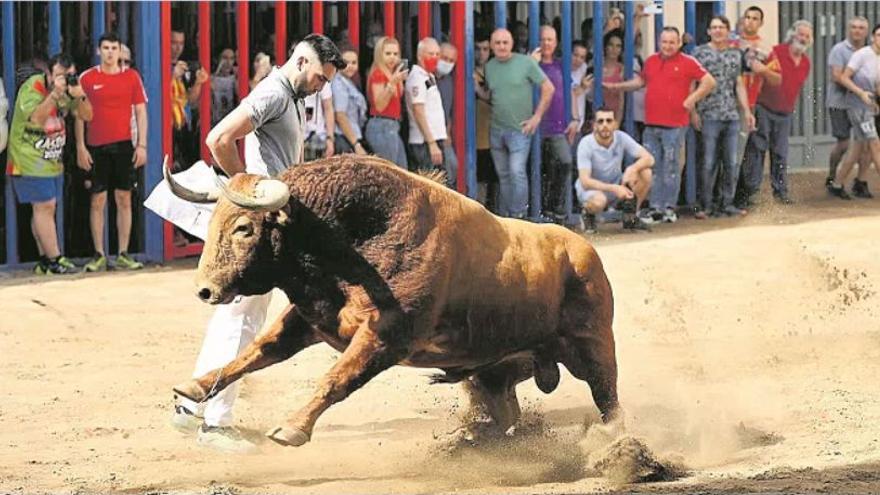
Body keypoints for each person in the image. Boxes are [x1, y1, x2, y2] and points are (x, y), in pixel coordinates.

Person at [170, 34, 345, 453]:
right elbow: (218, 139)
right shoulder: (272, 92)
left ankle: (192, 406)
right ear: (301, 61)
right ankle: (215, 422)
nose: (322, 87)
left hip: (265, 221)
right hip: (259, 226)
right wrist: (247, 189)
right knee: (243, 319)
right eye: (320, 77)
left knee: (237, 315)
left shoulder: (286, 95)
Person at [605, 27, 716, 223]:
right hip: (652, 124)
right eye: (664, 42)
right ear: (659, 42)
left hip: (674, 125)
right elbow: (640, 82)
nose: (667, 46)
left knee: (671, 168)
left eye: (672, 42)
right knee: (652, 168)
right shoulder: (651, 61)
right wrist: (616, 87)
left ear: (679, 43)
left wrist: (693, 99)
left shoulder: (688, 62)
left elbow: (709, 82)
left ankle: (668, 208)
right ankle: (656, 208)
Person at [7, 53, 93, 274]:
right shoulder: (32, 86)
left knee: (44, 208)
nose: (65, 80)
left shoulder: (69, 89)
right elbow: (36, 118)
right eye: (60, 76)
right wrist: (55, 94)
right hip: (28, 158)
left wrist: (80, 95)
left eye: (70, 75)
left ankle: (46, 261)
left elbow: (87, 116)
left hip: (50, 160)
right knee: (45, 206)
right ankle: (55, 260)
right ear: (49, 74)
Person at [76, 32, 148, 272]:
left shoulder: (131, 77)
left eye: (113, 48)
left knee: (124, 198)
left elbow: (141, 113)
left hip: (124, 144)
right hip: (95, 146)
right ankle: (99, 254)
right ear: (99, 51)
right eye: (105, 48)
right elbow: (79, 115)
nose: (109, 52)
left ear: (119, 51)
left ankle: (123, 254)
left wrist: (142, 145)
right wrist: (80, 146)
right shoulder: (87, 78)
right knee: (97, 200)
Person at [478, 28, 554, 219]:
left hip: (519, 130)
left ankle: (518, 214)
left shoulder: (525, 63)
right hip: (496, 130)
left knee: (516, 172)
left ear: (511, 44)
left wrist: (536, 117)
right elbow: (491, 95)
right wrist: (477, 89)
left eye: (505, 42)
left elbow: (548, 88)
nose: (501, 46)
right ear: (492, 45)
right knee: (504, 176)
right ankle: (507, 218)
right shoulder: (490, 67)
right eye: (497, 43)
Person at [739, 20, 813, 205]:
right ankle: (749, 193)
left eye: (806, 36)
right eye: (800, 34)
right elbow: (753, 70)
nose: (803, 38)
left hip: (785, 113)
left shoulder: (805, 62)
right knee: (757, 151)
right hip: (764, 108)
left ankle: (780, 192)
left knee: (780, 153)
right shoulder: (775, 52)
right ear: (792, 34)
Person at [692, 16, 755, 218]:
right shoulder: (699, 53)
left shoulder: (736, 54)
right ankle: (707, 205)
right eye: (714, 27)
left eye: (721, 27)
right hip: (708, 114)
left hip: (731, 115)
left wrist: (747, 111)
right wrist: (692, 110)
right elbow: (692, 83)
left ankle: (727, 203)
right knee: (709, 162)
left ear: (728, 31)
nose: (718, 31)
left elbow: (738, 84)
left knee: (731, 162)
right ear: (709, 31)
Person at [576, 107, 654, 233]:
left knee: (646, 173)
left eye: (609, 121)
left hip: (617, 185)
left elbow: (649, 159)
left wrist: (632, 169)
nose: (605, 125)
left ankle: (631, 217)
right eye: (600, 121)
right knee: (599, 201)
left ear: (615, 124)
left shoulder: (621, 137)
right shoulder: (586, 143)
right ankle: (587, 214)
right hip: (594, 190)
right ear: (594, 125)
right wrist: (614, 188)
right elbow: (585, 181)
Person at [829, 23, 880, 200]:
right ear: (873, 37)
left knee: (857, 149)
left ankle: (837, 184)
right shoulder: (862, 55)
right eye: (879, 35)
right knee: (874, 144)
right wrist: (861, 93)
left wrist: (874, 99)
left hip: (868, 108)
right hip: (857, 107)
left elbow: (877, 85)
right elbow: (843, 77)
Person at [536, 26, 580, 224]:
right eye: (543, 39)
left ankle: (558, 212)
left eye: (550, 40)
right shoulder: (529, 65)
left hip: (556, 127)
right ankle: (539, 212)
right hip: (533, 128)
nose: (546, 43)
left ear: (556, 43)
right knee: (538, 170)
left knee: (564, 163)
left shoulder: (561, 65)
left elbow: (570, 91)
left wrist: (575, 118)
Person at [405, 37, 452, 182]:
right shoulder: (417, 78)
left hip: (432, 140)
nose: (435, 58)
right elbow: (418, 111)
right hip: (424, 142)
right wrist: (431, 143)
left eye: (437, 54)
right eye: (430, 54)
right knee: (431, 184)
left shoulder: (428, 76)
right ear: (420, 56)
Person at [364, 36, 408, 168]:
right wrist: (392, 84)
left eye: (395, 54)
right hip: (382, 125)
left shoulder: (392, 74)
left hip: (391, 126)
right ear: (379, 55)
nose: (392, 57)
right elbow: (379, 106)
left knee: (401, 171)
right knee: (392, 173)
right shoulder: (378, 74)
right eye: (388, 53)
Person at [473, 32, 498, 211]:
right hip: (476, 135)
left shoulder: (495, 71)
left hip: (494, 133)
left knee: (495, 179)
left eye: (485, 49)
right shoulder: (466, 71)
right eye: (477, 49)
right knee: (480, 178)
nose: (481, 53)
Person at [331, 48, 369, 155]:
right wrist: (356, 144)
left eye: (354, 63)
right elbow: (340, 116)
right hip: (344, 138)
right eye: (346, 62)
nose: (350, 66)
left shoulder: (348, 83)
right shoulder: (338, 84)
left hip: (350, 137)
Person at [436, 42, 459, 188]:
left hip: (443, 134)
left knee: (452, 169)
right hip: (428, 135)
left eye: (451, 61)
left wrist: (447, 132)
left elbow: (448, 110)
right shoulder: (427, 78)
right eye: (444, 58)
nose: (447, 63)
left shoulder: (449, 80)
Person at [302, 78, 335, 161]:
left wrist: (330, 138)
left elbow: (328, 108)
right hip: (295, 139)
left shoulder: (322, 79)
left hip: (317, 137)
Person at [212, 48, 238, 126]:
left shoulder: (236, 79)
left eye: (231, 58)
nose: (228, 62)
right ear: (218, 59)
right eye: (225, 58)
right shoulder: (210, 80)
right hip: (214, 124)